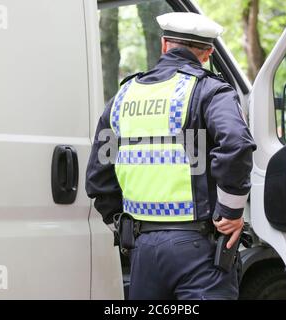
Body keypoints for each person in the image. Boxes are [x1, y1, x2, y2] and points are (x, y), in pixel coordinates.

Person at [86, 12, 256, 300]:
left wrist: (123, 224)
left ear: (165, 45)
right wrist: (231, 213)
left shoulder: (123, 97)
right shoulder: (210, 91)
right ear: (208, 54)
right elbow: (237, 144)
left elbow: (99, 176)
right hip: (198, 248)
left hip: (143, 249)